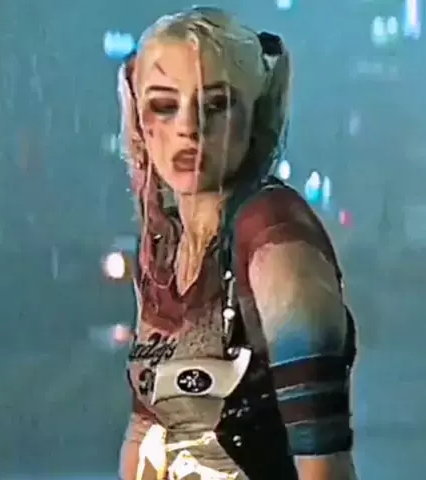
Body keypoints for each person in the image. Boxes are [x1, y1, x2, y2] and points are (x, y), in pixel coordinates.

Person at [116, 6, 357, 480]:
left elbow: (322, 463)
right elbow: (146, 429)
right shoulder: (164, 245)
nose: (189, 128)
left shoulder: (274, 238)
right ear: (140, 119)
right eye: (164, 105)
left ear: (254, 115)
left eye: (216, 105)